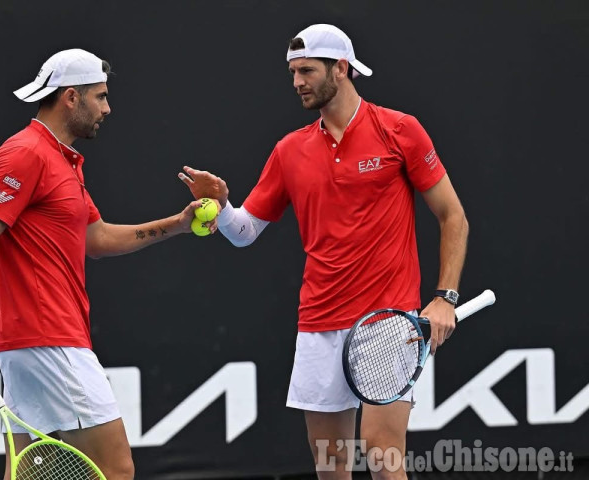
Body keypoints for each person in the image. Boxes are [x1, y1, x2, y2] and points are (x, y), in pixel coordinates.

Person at [178, 24, 468, 480]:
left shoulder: (400, 131)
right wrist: (224, 205)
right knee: (331, 465)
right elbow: (244, 232)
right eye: (293, 72)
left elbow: (454, 217)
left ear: (342, 68)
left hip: (388, 321)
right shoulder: (289, 150)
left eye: (307, 70)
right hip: (318, 323)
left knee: (381, 452)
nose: (297, 82)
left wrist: (444, 297)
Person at [0, 48, 217, 480]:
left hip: (38, 340)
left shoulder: (62, 160)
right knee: (115, 469)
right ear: (71, 98)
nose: (108, 108)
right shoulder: (24, 153)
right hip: (46, 338)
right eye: (101, 97)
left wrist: (178, 224)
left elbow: (95, 238)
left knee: (30, 473)